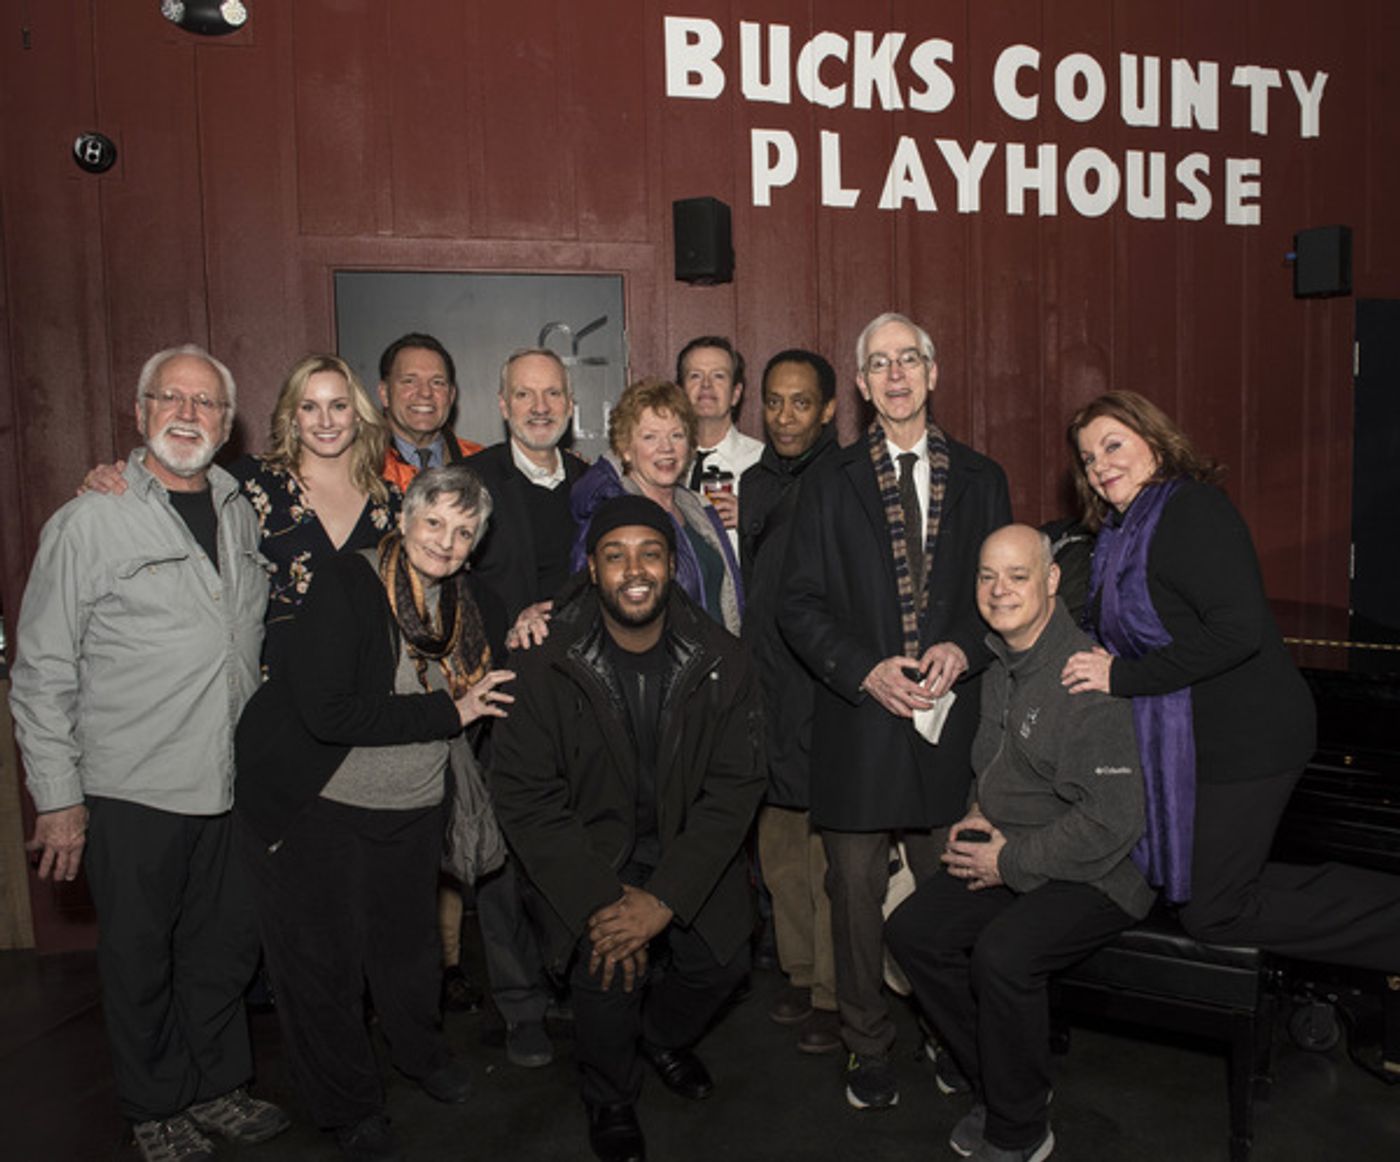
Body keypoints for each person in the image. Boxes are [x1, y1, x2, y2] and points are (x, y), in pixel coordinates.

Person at [9, 345, 290, 1162]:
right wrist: (58, 798)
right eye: (172, 398)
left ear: (227, 423)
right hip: (132, 786)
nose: (188, 415)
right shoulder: (90, 521)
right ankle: (155, 1106)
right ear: (140, 413)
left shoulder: (240, 511)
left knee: (222, 950)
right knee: (139, 961)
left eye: (206, 403)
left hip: (230, 781)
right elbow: (42, 669)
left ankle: (217, 1085)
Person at [1060, 390, 1400, 969]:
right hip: (1201, 742)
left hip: (1250, 738)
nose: (1099, 466)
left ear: (1155, 443)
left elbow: (1237, 631)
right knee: (1225, 885)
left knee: (1213, 911)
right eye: (1089, 458)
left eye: (1113, 445)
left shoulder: (1191, 510)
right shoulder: (1123, 534)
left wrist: (1124, 677)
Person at [234, 464, 515, 1162]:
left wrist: (538, 617)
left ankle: (420, 1055)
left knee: (409, 953)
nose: (445, 541)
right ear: (405, 519)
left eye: (463, 532)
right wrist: (448, 711)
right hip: (321, 807)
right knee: (323, 969)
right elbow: (328, 712)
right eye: (433, 522)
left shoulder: (464, 600)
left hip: (412, 807)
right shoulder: (349, 582)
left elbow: (512, 637)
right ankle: (349, 1106)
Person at [779, 312, 1011, 1111]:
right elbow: (798, 604)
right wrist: (863, 669)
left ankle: (949, 1034)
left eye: (909, 359)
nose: (897, 374)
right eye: (879, 364)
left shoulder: (982, 478)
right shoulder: (827, 481)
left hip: (951, 726)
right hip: (860, 725)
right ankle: (866, 1043)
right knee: (853, 897)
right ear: (861, 383)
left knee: (954, 894)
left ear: (932, 372)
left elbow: (1002, 598)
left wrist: (967, 647)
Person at [490, 495, 766, 1162]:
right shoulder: (544, 662)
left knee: (723, 961)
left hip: (682, 849)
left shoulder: (723, 658)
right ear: (592, 569)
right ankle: (610, 1094)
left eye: (650, 554)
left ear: (673, 565)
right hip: (590, 857)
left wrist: (665, 898)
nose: (634, 570)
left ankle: (660, 1038)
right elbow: (526, 798)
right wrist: (601, 900)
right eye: (615, 556)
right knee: (611, 961)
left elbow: (735, 789)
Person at [887, 524, 1153, 1162]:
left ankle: (1020, 1128)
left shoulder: (1084, 678)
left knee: (1003, 954)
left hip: (1102, 871)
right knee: (912, 932)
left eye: (1017, 575)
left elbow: (1112, 822)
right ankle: (1005, 1081)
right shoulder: (1002, 664)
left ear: (1052, 580)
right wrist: (979, 811)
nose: (999, 589)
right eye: (987, 576)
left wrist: (1006, 861)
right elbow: (999, 765)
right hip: (1024, 847)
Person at [452, 346, 590, 1067]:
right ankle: (520, 1004)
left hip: (584, 701)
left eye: (553, 394)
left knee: (577, 847)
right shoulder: (472, 483)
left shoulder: (595, 484)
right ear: (502, 405)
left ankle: (569, 979)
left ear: (570, 404)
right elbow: (444, 582)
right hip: (502, 699)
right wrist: (508, 624)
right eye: (525, 395)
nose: (540, 407)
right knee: (504, 862)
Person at [738, 348, 841, 1054]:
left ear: (829, 410)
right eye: (774, 401)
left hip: (825, 688)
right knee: (778, 850)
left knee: (831, 856)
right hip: (766, 689)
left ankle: (835, 993)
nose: (784, 416)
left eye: (801, 402)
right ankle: (801, 973)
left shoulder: (847, 480)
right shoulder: (753, 482)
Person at [570, 379, 742, 633]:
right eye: (650, 437)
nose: (667, 448)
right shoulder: (615, 514)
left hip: (718, 652)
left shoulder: (697, 506)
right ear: (625, 449)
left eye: (677, 435)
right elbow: (584, 603)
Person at [677, 335, 763, 549]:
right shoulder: (661, 462)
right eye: (695, 376)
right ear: (680, 393)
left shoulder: (763, 462)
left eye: (718, 376)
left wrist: (751, 521)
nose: (706, 385)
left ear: (735, 394)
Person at [378, 332, 483, 491]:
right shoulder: (361, 466)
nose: (425, 393)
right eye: (409, 381)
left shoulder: (481, 464)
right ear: (384, 394)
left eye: (437, 382)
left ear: (451, 396)